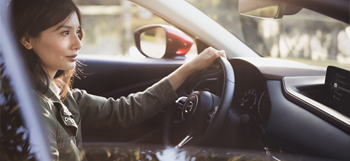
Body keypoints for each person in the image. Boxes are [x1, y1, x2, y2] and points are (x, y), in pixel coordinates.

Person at [10, 0, 226, 160]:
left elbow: (125, 111)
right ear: (27, 39)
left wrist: (190, 67)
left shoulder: (61, 94)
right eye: (65, 32)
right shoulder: (31, 109)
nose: (78, 44)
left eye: (77, 32)